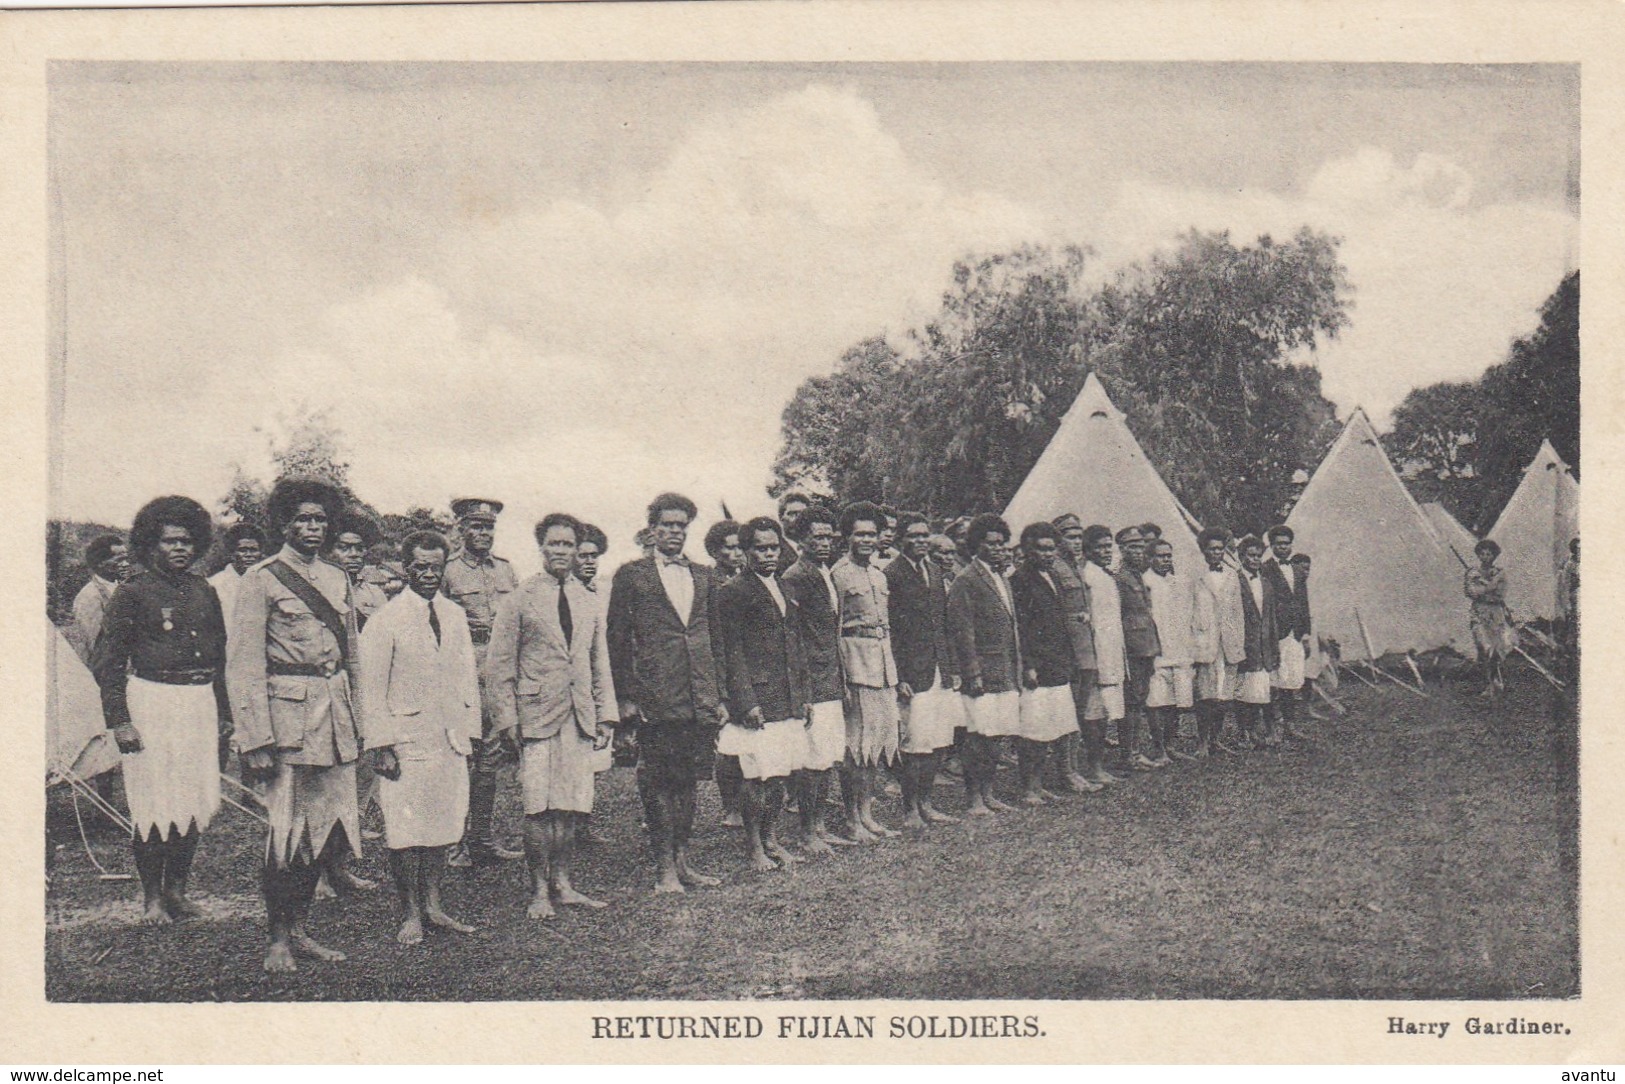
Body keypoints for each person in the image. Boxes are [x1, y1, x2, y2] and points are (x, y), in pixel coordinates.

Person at [227, 478, 362, 973]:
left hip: (335, 720)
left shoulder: (337, 578)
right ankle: (277, 939)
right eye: (303, 519)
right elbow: (242, 665)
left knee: (322, 832)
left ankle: (302, 930)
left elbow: (353, 658)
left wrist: (361, 722)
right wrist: (255, 738)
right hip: (287, 723)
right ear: (284, 523)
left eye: (320, 519)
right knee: (285, 833)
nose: (312, 527)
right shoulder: (261, 578)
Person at [91, 497, 229, 926]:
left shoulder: (205, 590)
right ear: (151, 545)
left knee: (191, 797)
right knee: (153, 800)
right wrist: (120, 721)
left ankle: (177, 892)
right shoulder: (132, 592)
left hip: (198, 702)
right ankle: (152, 897)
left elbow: (220, 657)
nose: (180, 549)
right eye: (170, 542)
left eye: (187, 541)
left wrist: (225, 713)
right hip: (152, 702)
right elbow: (108, 662)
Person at [488, 513, 618, 918]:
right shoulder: (520, 598)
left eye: (568, 544)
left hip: (578, 715)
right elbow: (498, 666)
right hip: (537, 714)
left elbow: (599, 661)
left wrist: (605, 715)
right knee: (538, 806)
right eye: (554, 544)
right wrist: (508, 720)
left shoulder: (587, 598)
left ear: (578, 549)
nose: (561, 551)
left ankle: (563, 882)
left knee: (571, 804)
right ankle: (539, 890)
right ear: (541, 547)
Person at [357, 530, 479, 945]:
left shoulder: (455, 615)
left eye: (436, 567)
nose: (428, 574)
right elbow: (370, 689)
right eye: (420, 567)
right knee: (406, 831)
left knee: (443, 824)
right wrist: (381, 745)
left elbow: (467, 678)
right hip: (406, 741)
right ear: (405, 568)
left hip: (449, 738)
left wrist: (471, 732)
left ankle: (434, 905)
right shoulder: (385, 619)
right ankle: (409, 912)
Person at [607, 492, 730, 894]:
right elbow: (618, 640)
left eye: (681, 525)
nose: (675, 531)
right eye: (667, 524)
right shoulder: (632, 575)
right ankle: (664, 870)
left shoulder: (704, 575)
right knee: (659, 781)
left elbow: (716, 637)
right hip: (656, 698)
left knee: (689, 782)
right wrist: (625, 698)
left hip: (698, 696)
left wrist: (720, 695)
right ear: (653, 529)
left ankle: (683, 860)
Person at [716, 517, 810, 871]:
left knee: (781, 775)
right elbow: (731, 651)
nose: (769, 554)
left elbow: (796, 645)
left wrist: (805, 695)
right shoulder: (734, 592)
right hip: (758, 700)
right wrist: (745, 701)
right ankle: (754, 846)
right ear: (746, 551)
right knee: (755, 776)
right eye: (760, 548)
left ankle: (771, 838)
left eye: (773, 547)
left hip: (787, 698)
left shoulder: (785, 588)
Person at [440, 497, 522, 867]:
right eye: (475, 526)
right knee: (460, 755)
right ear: (461, 529)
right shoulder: (446, 571)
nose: (483, 533)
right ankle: (454, 842)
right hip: (460, 667)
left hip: (498, 667)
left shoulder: (506, 571)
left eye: (488, 527)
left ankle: (482, 839)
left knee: (491, 757)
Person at [779, 504, 853, 854]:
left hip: (831, 679)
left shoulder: (823, 572)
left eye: (828, 536)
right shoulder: (795, 576)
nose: (824, 542)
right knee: (812, 760)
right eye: (816, 537)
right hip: (812, 682)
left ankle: (820, 826)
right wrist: (805, 690)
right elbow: (792, 638)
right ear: (801, 538)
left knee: (827, 757)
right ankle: (808, 832)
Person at [885, 511, 962, 828]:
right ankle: (910, 809)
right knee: (915, 744)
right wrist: (899, 676)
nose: (919, 541)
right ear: (901, 539)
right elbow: (892, 630)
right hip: (913, 674)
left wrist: (952, 667)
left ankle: (927, 803)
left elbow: (945, 624)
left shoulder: (935, 570)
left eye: (923, 535)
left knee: (939, 740)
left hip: (939, 669)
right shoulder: (893, 573)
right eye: (913, 536)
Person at [831, 501, 903, 840]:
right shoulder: (839, 575)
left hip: (882, 664)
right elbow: (835, 627)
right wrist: (841, 678)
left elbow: (886, 626)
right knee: (856, 747)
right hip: (855, 664)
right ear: (847, 537)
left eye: (872, 534)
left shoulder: (878, 574)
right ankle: (851, 818)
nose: (867, 540)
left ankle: (867, 812)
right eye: (860, 534)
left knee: (876, 745)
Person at [947, 513, 1022, 815]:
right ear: (977, 545)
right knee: (978, 737)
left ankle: (989, 793)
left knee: (997, 736)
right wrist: (972, 673)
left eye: (1002, 543)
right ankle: (973, 798)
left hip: (1004, 669)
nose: (999, 549)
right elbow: (963, 632)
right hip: (981, 672)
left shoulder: (1001, 577)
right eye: (991, 544)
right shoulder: (966, 579)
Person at [1009, 522, 1082, 805]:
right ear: (1028, 550)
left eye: (1051, 548)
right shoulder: (1020, 581)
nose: (1048, 554)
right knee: (1034, 731)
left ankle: (1039, 785)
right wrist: (1029, 665)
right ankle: (1029, 787)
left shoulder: (1051, 576)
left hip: (1057, 662)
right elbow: (1023, 628)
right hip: (1037, 666)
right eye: (1041, 549)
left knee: (1055, 726)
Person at [1048, 513, 1104, 791]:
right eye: (1070, 536)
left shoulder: (1076, 568)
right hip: (1068, 651)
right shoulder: (1055, 568)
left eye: (1079, 536)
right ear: (1059, 540)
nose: (1077, 542)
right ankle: (1066, 771)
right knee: (1067, 713)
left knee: (1080, 712)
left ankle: (1074, 769)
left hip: (1084, 650)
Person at [702, 518, 747, 826]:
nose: (735, 553)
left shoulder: (749, 578)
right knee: (728, 741)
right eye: (728, 548)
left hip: (747, 661)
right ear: (716, 552)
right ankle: (730, 806)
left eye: (739, 547)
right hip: (724, 662)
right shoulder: (710, 583)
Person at [1078, 525, 1129, 776]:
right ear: (1087, 550)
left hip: (1112, 652)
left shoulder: (1106, 575)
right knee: (1094, 714)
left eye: (1109, 546)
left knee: (1106, 712)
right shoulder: (1088, 577)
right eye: (1099, 547)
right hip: (1097, 655)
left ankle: (1099, 765)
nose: (1105, 551)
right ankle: (1094, 766)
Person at [1191, 528, 1245, 757]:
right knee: (1206, 695)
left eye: (1220, 549)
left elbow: (1238, 612)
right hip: (1206, 642)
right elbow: (1188, 612)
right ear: (1203, 551)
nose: (1216, 553)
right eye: (1211, 549)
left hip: (1229, 643)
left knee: (1224, 696)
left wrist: (1238, 642)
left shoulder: (1233, 576)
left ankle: (1216, 739)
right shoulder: (1194, 577)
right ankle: (1202, 741)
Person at [1143, 538, 1196, 763]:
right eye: (1161, 556)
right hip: (1157, 651)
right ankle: (1158, 748)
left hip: (1179, 649)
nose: (1166, 560)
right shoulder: (1145, 582)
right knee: (1156, 701)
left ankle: (1170, 744)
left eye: (1168, 555)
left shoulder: (1179, 582)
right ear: (1150, 558)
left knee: (1176, 701)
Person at [1115, 526, 1161, 772]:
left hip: (1145, 645)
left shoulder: (1136, 575)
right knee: (1131, 702)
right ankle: (1129, 753)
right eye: (1132, 547)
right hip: (1133, 647)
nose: (1138, 551)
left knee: (1138, 700)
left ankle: (1134, 750)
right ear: (1122, 549)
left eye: (1141, 546)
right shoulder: (1121, 578)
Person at [1262, 525, 1312, 741]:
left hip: (1295, 634)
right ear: (1272, 547)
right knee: (1274, 681)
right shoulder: (1265, 569)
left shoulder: (1297, 570)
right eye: (1279, 544)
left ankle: (1290, 725)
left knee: (1291, 681)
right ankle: (1274, 727)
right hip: (1276, 633)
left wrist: (1306, 635)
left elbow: (1303, 602)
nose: (1283, 547)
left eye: (1287, 543)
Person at [1234, 535, 1280, 748]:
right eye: (1250, 556)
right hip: (1245, 645)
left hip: (1264, 645)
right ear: (1241, 557)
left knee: (1265, 689)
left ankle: (1269, 730)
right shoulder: (1234, 581)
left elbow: (1270, 617)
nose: (1255, 560)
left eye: (1258, 556)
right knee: (1245, 691)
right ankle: (1245, 732)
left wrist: (1273, 645)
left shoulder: (1266, 583)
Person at [1465, 538, 1516, 698]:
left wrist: (1485, 588)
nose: (1485, 557)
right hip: (1479, 613)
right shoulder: (1472, 573)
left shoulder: (1500, 573)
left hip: (1496, 614)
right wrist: (1489, 588)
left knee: (1496, 650)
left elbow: (1500, 595)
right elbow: (1471, 592)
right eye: (1482, 554)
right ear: (1478, 555)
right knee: (1484, 648)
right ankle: (1489, 683)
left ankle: (1495, 681)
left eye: (1489, 554)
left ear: (1494, 556)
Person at [68, 534, 130, 665]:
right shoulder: (89, 596)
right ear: (100, 563)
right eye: (119, 560)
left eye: (126, 559)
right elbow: (96, 645)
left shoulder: (121, 588)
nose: (126, 564)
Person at [330, 513, 388, 631]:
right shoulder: (318, 589)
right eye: (344, 548)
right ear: (328, 551)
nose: (354, 554)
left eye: (359, 548)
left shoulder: (375, 594)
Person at [207, 523, 263, 634]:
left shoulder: (267, 582)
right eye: (243, 550)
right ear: (232, 553)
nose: (248, 555)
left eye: (253, 550)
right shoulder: (215, 584)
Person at [777, 491, 811, 565]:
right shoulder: (776, 551)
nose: (798, 519)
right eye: (793, 514)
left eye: (803, 514)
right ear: (781, 518)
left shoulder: (813, 549)